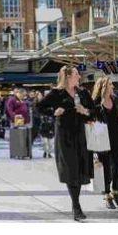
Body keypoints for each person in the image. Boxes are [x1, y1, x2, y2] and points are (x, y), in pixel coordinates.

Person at [36, 65, 94, 221]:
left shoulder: (83, 93)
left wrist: (85, 112)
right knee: (70, 169)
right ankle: (76, 206)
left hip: (81, 135)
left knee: (80, 169)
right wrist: (53, 112)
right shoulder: (57, 93)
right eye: (76, 74)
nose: (79, 77)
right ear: (68, 76)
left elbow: (94, 111)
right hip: (64, 135)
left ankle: (76, 203)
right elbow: (39, 107)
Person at [91, 77, 118, 210]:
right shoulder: (96, 103)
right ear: (103, 87)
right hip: (102, 140)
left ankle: (115, 192)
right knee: (106, 169)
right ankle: (107, 195)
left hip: (117, 138)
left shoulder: (116, 100)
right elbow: (90, 120)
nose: (112, 86)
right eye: (110, 84)